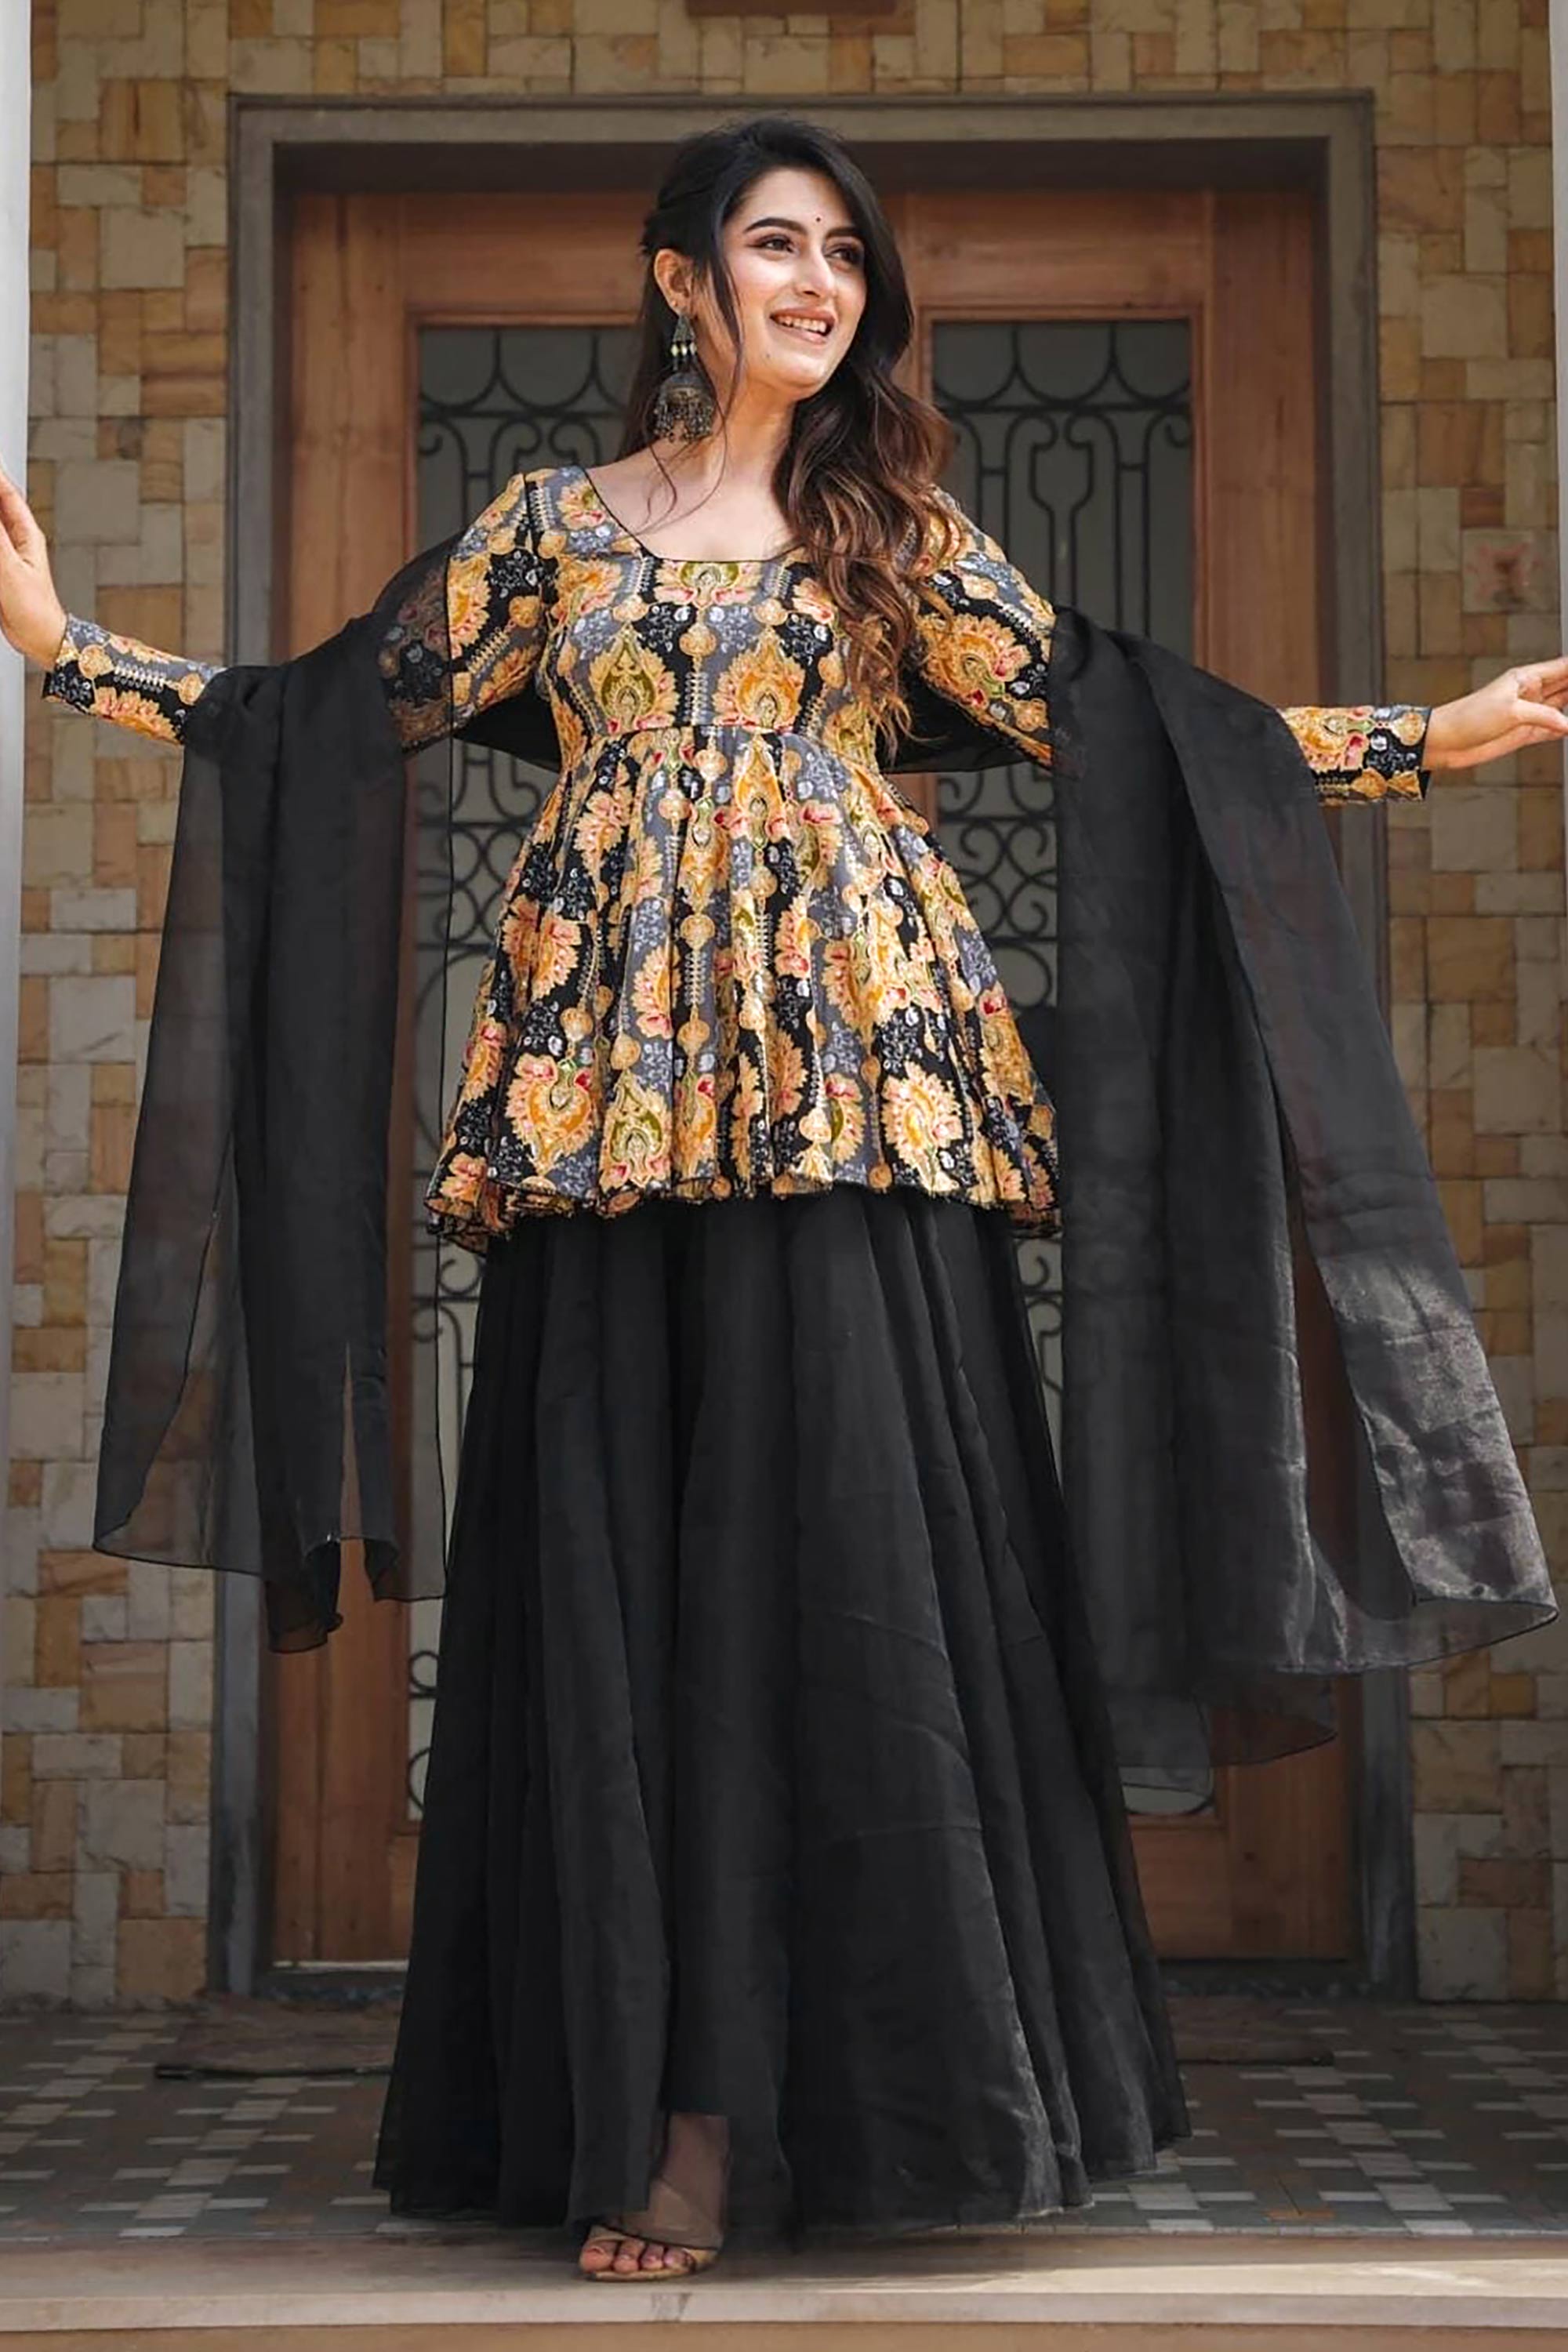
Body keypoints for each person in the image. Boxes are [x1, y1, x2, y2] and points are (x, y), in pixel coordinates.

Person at [2, 110, 1563, 2285]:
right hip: (607, 1131)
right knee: (630, 1599)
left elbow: (1145, 733)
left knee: (846, 1589)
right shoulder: (551, 536)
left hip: (861, 1119)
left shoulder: (895, 537)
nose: (818, 281)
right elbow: (318, 725)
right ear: (681, 279)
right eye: (773, 243)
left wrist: (1431, 740)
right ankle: (660, 2116)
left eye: (844, 250)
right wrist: (59, 647)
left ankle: (874, 2102)